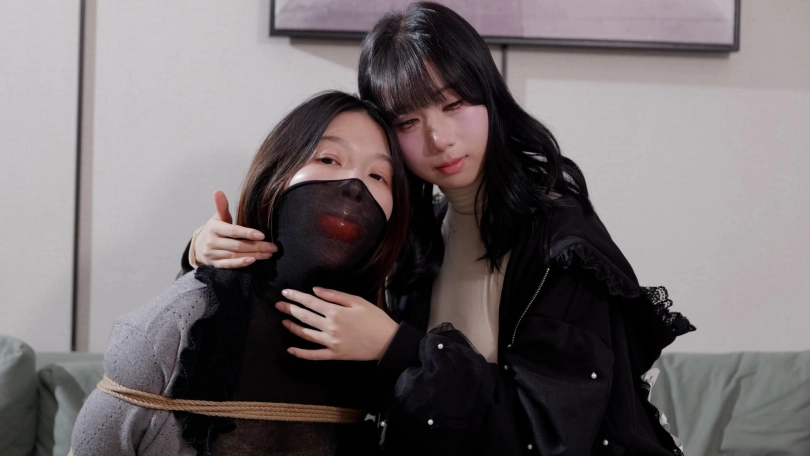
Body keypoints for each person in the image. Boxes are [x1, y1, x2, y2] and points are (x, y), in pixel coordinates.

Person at [186, 3, 696, 455]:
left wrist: (398, 348)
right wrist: (205, 253)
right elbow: (291, 304)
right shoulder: (414, 230)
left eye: (453, 105)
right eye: (407, 122)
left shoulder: (561, 244)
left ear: (489, 95)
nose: (439, 138)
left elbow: (550, 435)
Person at [70, 91, 408, 456]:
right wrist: (195, 252)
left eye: (378, 175)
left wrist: (397, 347)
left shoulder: (384, 336)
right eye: (328, 158)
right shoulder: (180, 320)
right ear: (276, 171)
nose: (355, 186)